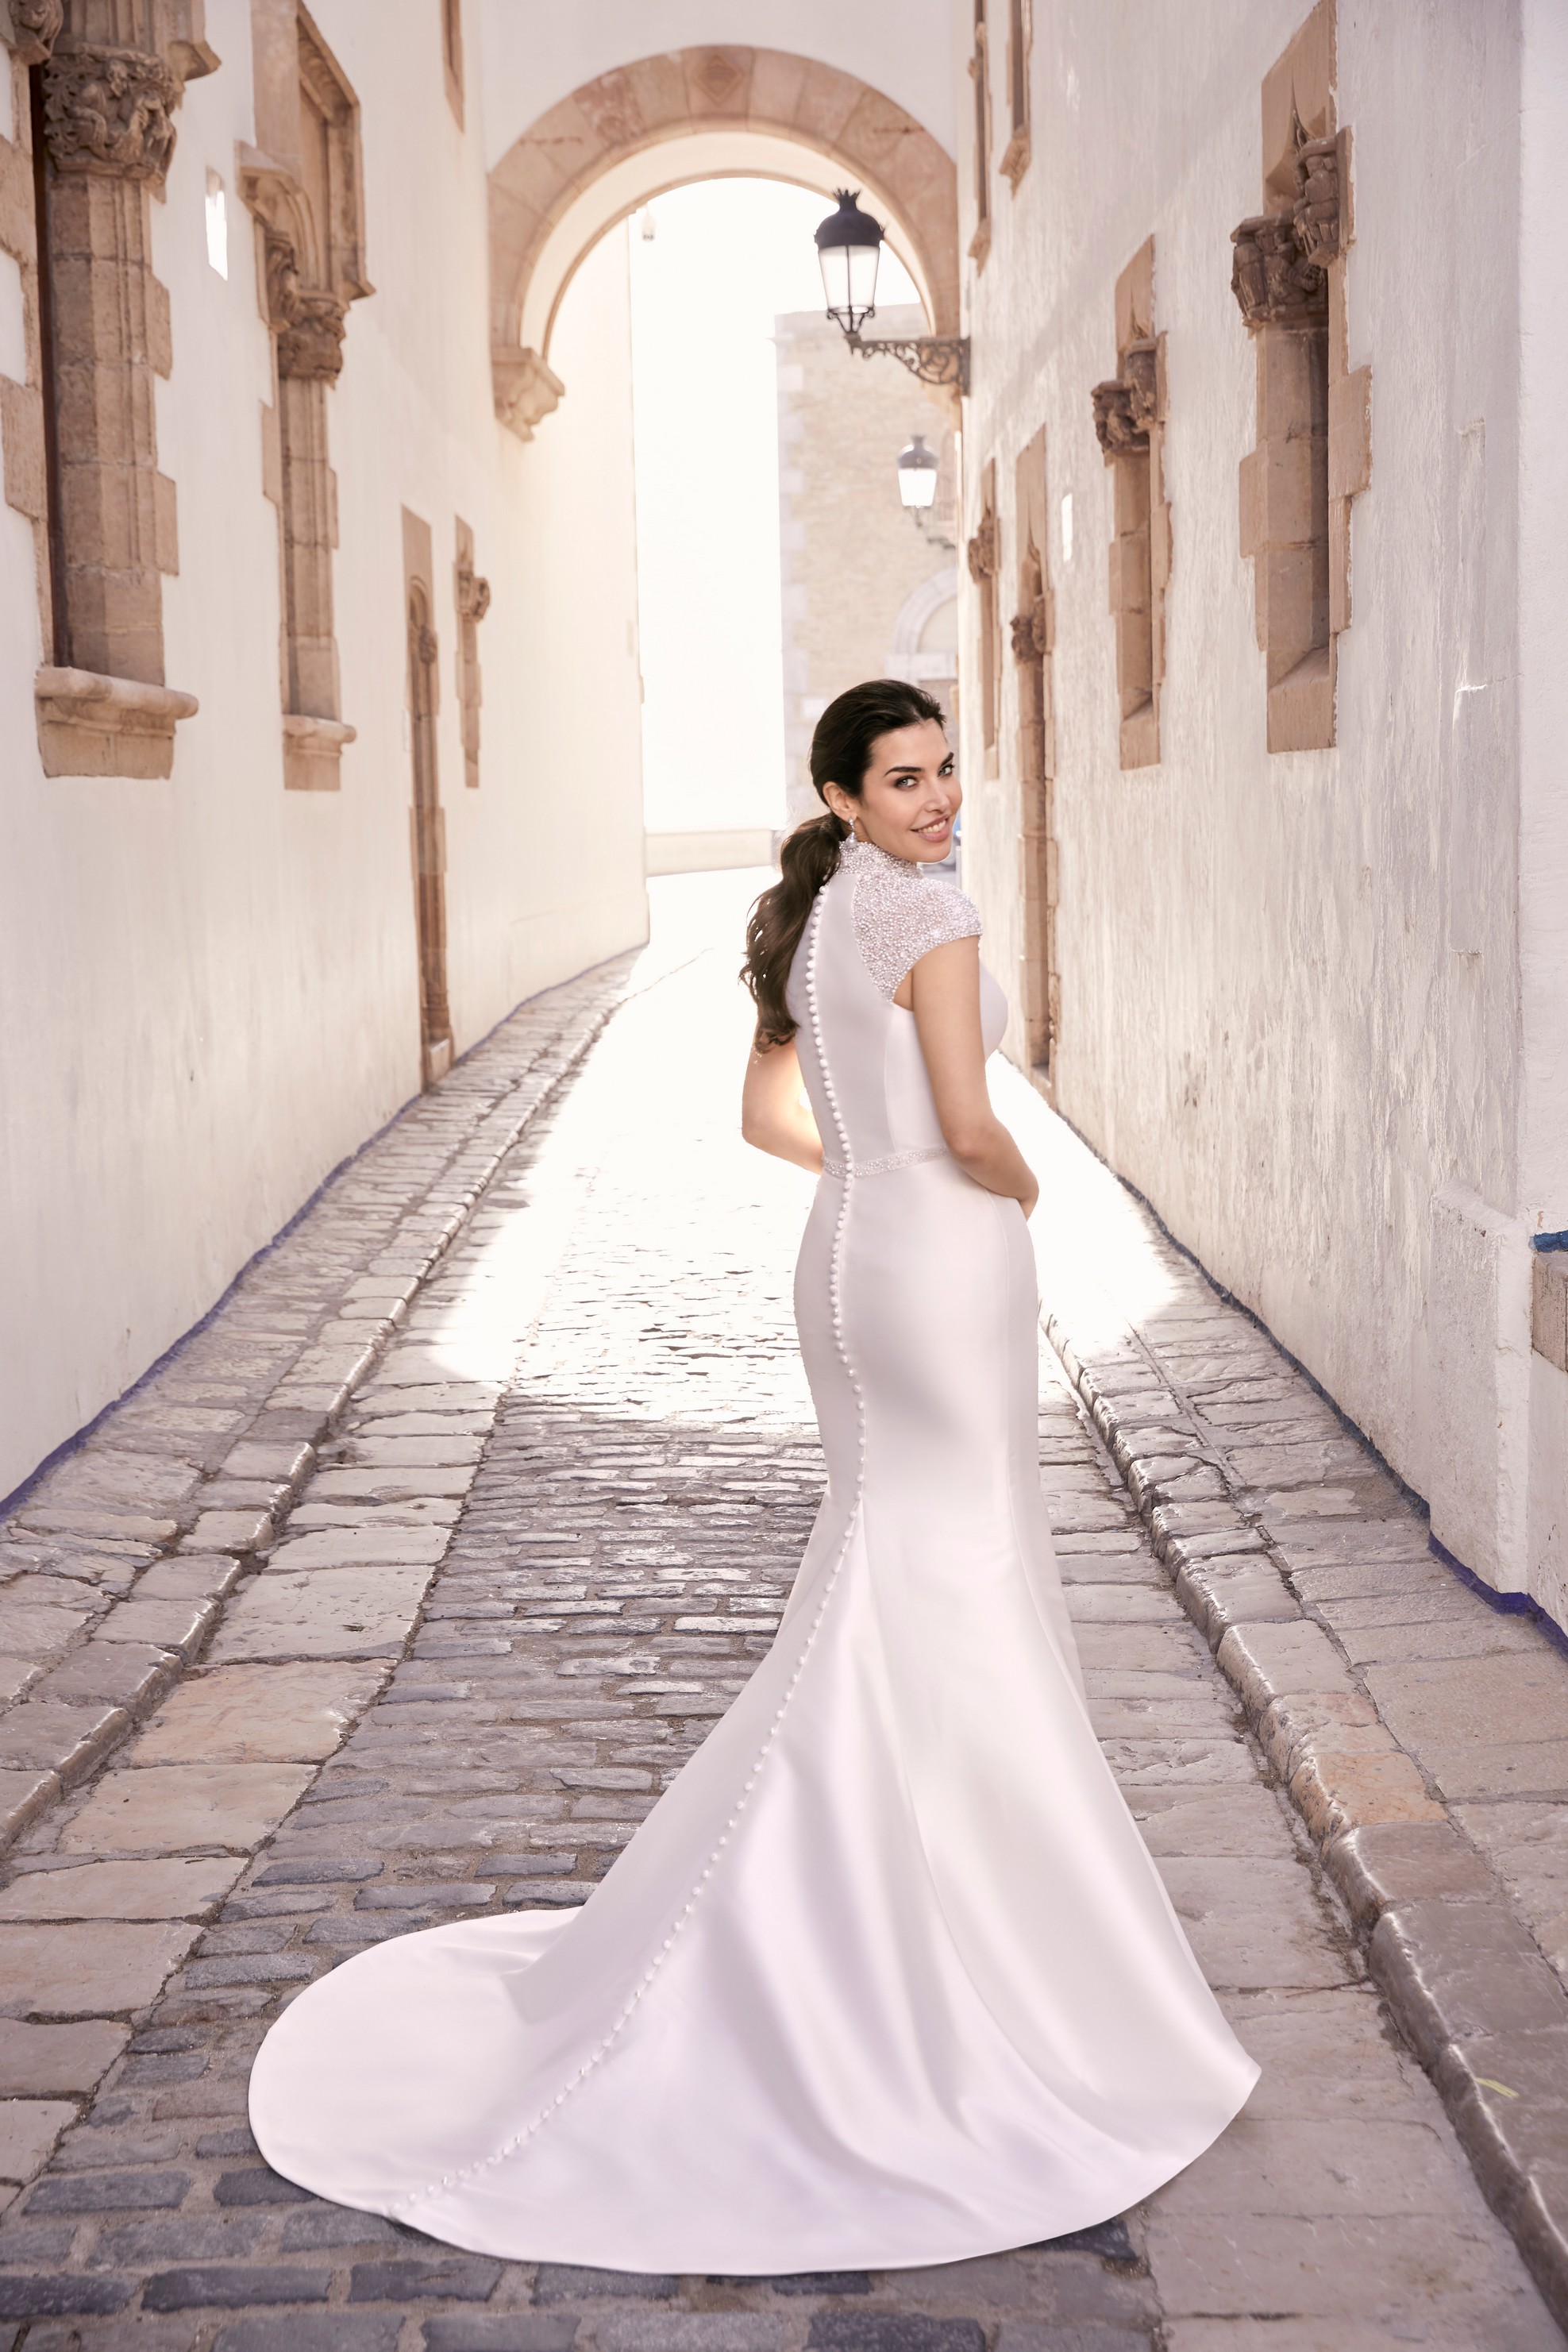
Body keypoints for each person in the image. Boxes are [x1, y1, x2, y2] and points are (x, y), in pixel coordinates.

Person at [248, 680, 1258, 2271]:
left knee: (892, 1567)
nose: (937, 799)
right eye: (902, 779)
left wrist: (878, 1173)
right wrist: (1003, 1182)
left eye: (943, 771)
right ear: (846, 795)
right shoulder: (925, 909)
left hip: (849, 1262)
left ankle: (890, 1897)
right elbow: (976, 1119)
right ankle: (950, 1946)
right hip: (939, 1267)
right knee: (956, 1571)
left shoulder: (817, 912)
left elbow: (767, 1114)